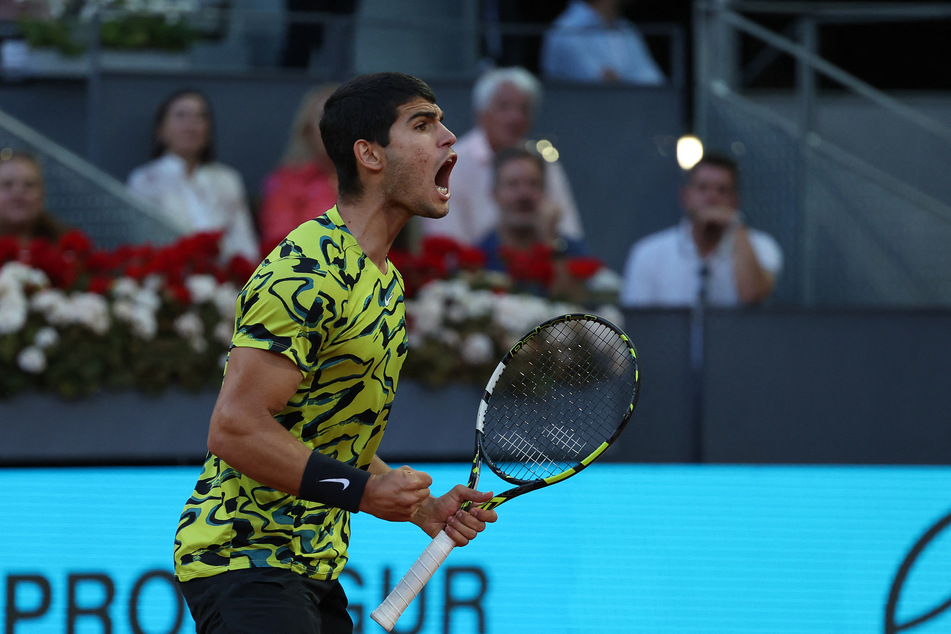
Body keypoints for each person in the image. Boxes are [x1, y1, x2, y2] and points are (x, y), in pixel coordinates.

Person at [173, 72, 497, 633]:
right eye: (423, 125)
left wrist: (421, 508)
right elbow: (235, 427)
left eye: (443, 123)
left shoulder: (385, 283)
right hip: (244, 559)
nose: (450, 138)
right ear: (369, 154)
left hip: (310, 569)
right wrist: (367, 493)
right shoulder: (307, 267)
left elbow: (322, 426)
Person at [418, 66, 584, 245]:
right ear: (481, 113)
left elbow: (570, 233)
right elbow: (445, 244)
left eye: (524, 109)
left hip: (541, 264)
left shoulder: (545, 163)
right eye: (504, 107)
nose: (515, 117)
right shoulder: (448, 165)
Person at [620, 152, 782, 307]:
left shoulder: (761, 246)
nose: (712, 197)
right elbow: (638, 322)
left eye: (722, 190)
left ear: (736, 200)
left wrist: (736, 227)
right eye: (702, 188)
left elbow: (752, 298)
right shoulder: (648, 253)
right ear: (685, 196)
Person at [126, 89, 259, 261]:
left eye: (200, 116)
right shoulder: (144, 180)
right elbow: (142, 244)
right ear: (161, 129)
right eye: (181, 115)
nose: (191, 124)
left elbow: (244, 242)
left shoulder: (228, 179)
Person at [258, 84, 339, 254]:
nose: (334, 125)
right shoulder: (285, 182)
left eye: (342, 117)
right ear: (307, 130)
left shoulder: (370, 181)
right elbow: (280, 246)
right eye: (324, 117)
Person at [478, 146, 588, 272]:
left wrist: (551, 242)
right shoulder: (479, 257)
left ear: (545, 192)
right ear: (495, 194)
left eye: (533, 183)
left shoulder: (570, 251)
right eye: (513, 184)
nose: (524, 194)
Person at [540, 0, 665, 85]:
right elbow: (600, 84)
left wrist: (620, 81)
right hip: (580, 119)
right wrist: (621, 82)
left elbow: (654, 81)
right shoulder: (566, 31)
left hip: (631, 116)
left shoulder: (627, 29)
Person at [0, 151, 67, 246]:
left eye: (29, 185)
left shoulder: (67, 246)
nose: (18, 192)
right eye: (8, 184)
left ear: (42, 194)